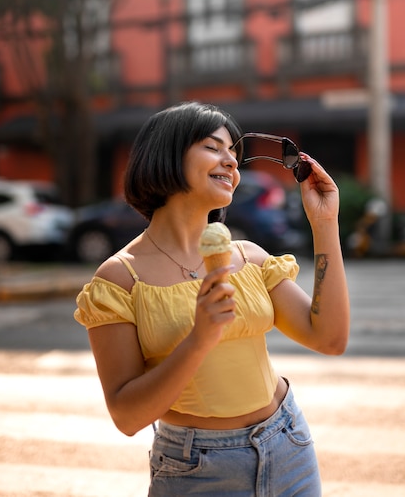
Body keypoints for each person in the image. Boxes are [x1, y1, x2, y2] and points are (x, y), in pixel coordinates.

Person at [74, 101, 350, 497]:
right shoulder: (120, 279)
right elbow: (127, 416)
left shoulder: (249, 256)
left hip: (288, 445)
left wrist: (324, 224)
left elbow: (330, 338)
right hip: (197, 470)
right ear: (166, 155)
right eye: (213, 147)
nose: (231, 163)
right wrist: (199, 338)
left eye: (235, 155)